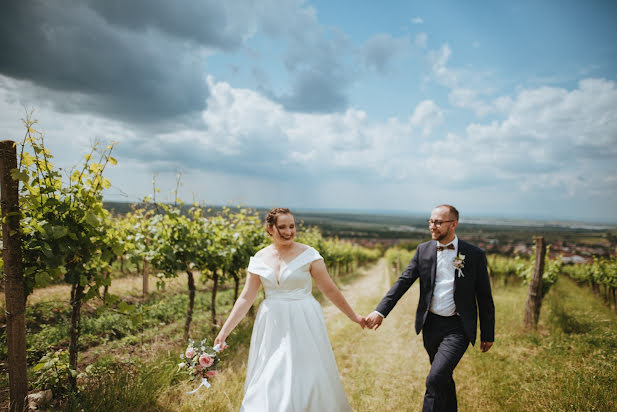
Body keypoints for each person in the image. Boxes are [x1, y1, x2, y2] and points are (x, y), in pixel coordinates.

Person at [214, 207, 364, 412]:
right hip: (272, 323)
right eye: (282, 227)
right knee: (271, 373)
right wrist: (224, 332)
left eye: (292, 226)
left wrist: (354, 316)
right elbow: (246, 297)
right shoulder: (259, 257)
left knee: (305, 374)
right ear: (269, 229)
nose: (288, 231)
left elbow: (329, 289)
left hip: (303, 319)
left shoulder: (310, 255)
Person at [366, 204, 495, 412]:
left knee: (434, 380)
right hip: (431, 325)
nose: (432, 226)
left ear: (453, 224)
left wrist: (488, 333)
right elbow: (403, 282)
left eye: (438, 222)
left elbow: (485, 297)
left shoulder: (474, 255)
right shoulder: (423, 250)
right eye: (430, 221)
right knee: (443, 378)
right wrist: (380, 311)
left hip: (458, 328)